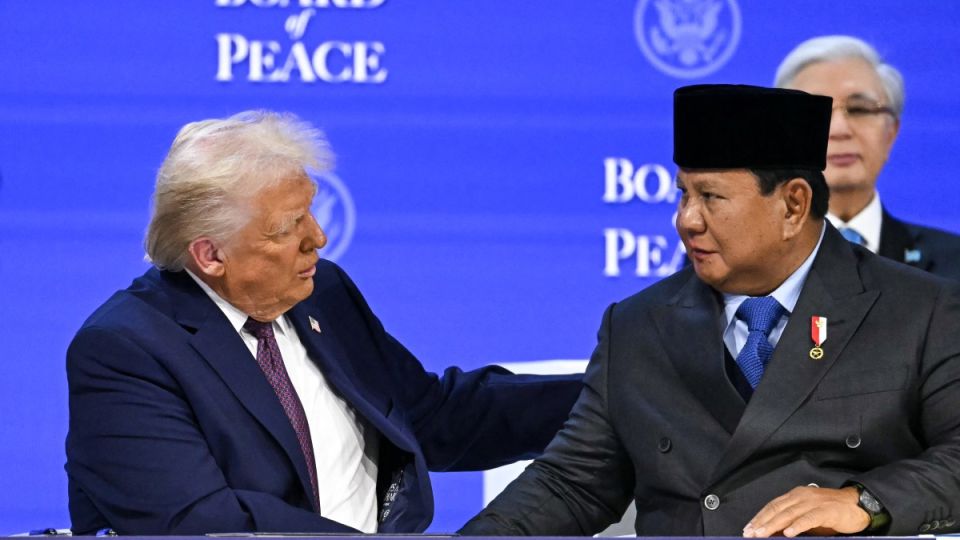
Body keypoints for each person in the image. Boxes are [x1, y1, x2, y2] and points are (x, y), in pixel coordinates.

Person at [459, 85, 960, 537]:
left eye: (710, 197)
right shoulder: (638, 325)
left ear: (793, 206)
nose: (686, 220)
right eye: (682, 194)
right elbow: (572, 485)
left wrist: (864, 502)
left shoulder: (920, 312)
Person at [65, 110, 582, 535]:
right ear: (210, 255)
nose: (318, 237)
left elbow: (427, 416)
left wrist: (608, 399)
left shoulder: (321, 293)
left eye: (309, 212)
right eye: (289, 227)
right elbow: (203, 524)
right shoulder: (126, 350)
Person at [775, 35, 960, 280]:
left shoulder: (952, 265)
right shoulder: (746, 265)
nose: (839, 129)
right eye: (816, 113)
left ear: (891, 133)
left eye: (860, 109)